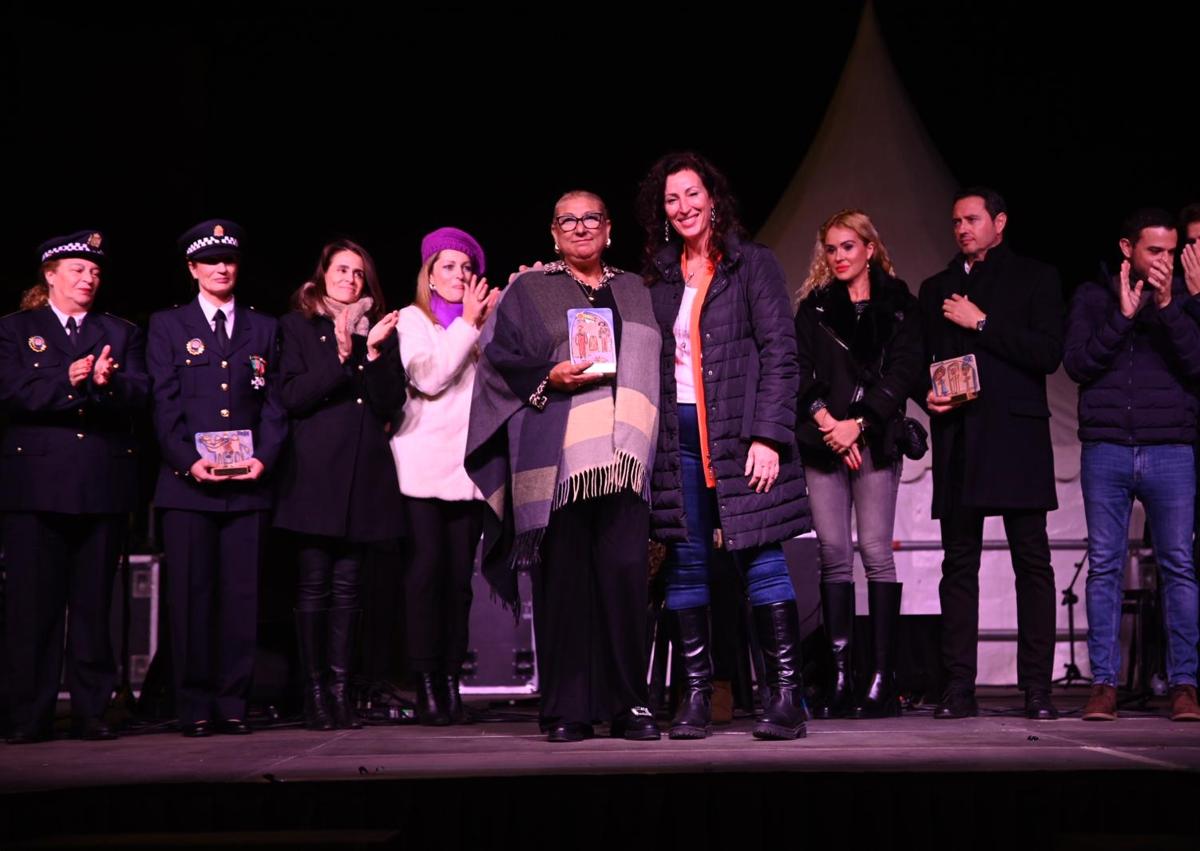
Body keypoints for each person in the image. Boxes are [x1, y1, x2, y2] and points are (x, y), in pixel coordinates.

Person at [466, 190, 662, 743]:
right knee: (564, 585)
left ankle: (630, 705)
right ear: (553, 233)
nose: (580, 228)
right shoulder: (530, 289)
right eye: (567, 220)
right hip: (559, 461)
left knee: (626, 583)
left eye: (591, 218)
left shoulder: (635, 289)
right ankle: (566, 708)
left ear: (608, 228)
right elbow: (498, 357)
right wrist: (547, 375)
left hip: (627, 459)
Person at [637, 152, 811, 741]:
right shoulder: (657, 277)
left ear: (713, 198)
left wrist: (769, 434)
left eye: (692, 194)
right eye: (671, 199)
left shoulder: (751, 264)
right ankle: (693, 695)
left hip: (740, 433)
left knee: (761, 554)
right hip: (675, 439)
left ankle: (786, 696)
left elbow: (781, 353)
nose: (683, 207)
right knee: (685, 561)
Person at [918, 187, 1064, 720]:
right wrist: (923, 392)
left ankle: (1037, 690)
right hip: (960, 440)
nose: (962, 228)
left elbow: (1048, 354)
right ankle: (958, 687)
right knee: (958, 566)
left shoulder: (1035, 278)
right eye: (956, 220)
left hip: (1018, 440)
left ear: (999, 222)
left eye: (972, 219)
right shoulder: (937, 287)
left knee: (1033, 563)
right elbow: (918, 358)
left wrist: (982, 322)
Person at [1, 231, 148, 743]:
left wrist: (106, 384)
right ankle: (27, 715)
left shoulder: (119, 331)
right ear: (50, 275)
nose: (89, 279)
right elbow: (12, 391)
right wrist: (69, 379)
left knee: (92, 608)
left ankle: (91, 711)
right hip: (35, 488)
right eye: (78, 270)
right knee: (31, 610)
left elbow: (141, 390)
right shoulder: (17, 329)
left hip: (100, 485)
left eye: (95, 272)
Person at [147, 219, 288, 737]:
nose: (221, 268)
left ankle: (233, 702)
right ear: (193, 269)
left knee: (241, 599)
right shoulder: (168, 326)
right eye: (210, 261)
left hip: (248, 486)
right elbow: (163, 404)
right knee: (191, 598)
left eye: (228, 259)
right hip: (189, 486)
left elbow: (274, 406)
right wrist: (188, 460)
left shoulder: (263, 327)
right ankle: (195, 704)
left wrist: (265, 458)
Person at [1063, 208, 1200, 722]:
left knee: (1179, 567)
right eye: (1155, 252)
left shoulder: (1186, 301)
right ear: (1128, 249)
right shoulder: (1093, 298)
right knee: (1103, 566)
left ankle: (1185, 685)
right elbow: (1076, 363)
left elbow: (1197, 365)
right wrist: (1121, 317)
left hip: (1171, 448)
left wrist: (1166, 306)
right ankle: (1104, 685)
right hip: (1107, 448)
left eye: (1171, 251)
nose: (1165, 261)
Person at [794, 209, 924, 719]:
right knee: (831, 552)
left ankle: (881, 678)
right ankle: (841, 678)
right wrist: (830, 424)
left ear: (870, 248)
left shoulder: (898, 306)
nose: (839, 256)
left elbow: (904, 371)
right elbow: (799, 374)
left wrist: (860, 426)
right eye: (831, 248)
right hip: (825, 440)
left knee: (874, 550)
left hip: (874, 437)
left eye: (849, 246)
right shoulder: (814, 309)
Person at [274, 238, 406, 730]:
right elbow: (290, 395)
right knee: (313, 586)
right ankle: (314, 696)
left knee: (350, 589)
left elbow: (391, 401)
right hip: (314, 476)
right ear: (323, 274)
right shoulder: (297, 327)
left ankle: (340, 692)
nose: (350, 280)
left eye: (358, 274)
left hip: (364, 477)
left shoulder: (382, 332)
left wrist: (370, 354)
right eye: (342, 271)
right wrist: (341, 355)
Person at [390, 227, 496, 725]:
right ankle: (426, 682)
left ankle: (452, 680)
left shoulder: (484, 326)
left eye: (465, 267)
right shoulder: (414, 320)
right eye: (447, 266)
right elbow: (429, 379)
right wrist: (468, 326)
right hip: (420, 466)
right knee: (425, 576)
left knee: (459, 583)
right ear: (429, 274)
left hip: (466, 469)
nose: (458, 275)